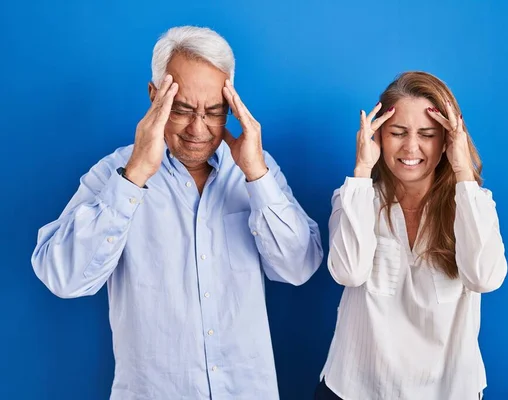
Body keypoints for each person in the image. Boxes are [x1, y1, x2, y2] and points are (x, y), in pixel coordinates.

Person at [32, 25, 323, 400]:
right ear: (155, 96)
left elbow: (298, 268)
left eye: (214, 112)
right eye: (183, 109)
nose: (198, 129)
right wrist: (134, 177)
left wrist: (256, 175)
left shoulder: (255, 169)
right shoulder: (114, 174)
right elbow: (62, 277)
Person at [315, 71, 507, 400]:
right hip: (354, 389)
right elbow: (348, 272)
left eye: (428, 134)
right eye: (398, 132)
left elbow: (484, 279)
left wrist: (463, 172)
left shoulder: (474, 203)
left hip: (448, 391)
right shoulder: (354, 197)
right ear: (377, 137)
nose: (411, 147)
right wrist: (361, 170)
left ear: (447, 140)